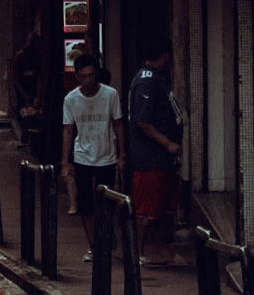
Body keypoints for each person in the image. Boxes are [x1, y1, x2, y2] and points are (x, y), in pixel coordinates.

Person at [63, 51, 126, 259]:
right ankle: (93, 244)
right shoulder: (71, 99)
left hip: (106, 156)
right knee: (86, 204)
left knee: (106, 202)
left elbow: (118, 124)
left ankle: (105, 236)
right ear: (77, 77)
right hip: (83, 156)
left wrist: (122, 154)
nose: (88, 80)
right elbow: (68, 130)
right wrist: (66, 161)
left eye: (91, 75)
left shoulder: (110, 95)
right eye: (84, 76)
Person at [128, 39, 184, 265]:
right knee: (146, 209)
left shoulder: (156, 80)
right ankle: (138, 253)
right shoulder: (146, 82)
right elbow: (142, 121)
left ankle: (162, 250)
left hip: (163, 159)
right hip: (151, 157)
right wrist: (167, 143)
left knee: (163, 209)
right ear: (163, 55)